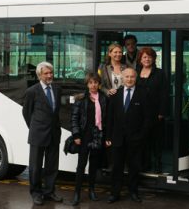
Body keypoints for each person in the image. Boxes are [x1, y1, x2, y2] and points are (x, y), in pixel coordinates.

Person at [106, 68, 151, 203]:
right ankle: (115, 193)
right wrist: (108, 137)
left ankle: (133, 192)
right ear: (122, 78)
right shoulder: (115, 95)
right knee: (117, 167)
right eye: (127, 77)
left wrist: (141, 135)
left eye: (132, 77)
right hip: (117, 138)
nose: (130, 79)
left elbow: (148, 118)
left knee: (134, 167)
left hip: (136, 139)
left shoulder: (143, 94)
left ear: (135, 78)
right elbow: (110, 118)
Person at [22, 61, 63, 206]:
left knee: (52, 166)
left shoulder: (57, 89)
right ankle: (36, 193)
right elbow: (27, 113)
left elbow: (56, 112)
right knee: (35, 167)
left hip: (54, 133)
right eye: (46, 73)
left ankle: (49, 191)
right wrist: (35, 128)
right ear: (39, 75)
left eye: (51, 72)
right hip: (38, 134)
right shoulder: (32, 91)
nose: (49, 75)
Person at [70, 72, 107, 206]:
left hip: (98, 135)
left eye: (95, 82)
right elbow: (74, 118)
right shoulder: (81, 99)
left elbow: (107, 118)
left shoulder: (103, 98)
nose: (93, 85)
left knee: (94, 165)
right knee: (81, 165)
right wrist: (76, 135)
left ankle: (91, 190)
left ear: (99, 84)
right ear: (87, 84)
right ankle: (77, 193)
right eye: (90, 82)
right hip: (84, 135)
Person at [136, 47, 168, 173]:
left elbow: (164, 94)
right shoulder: (136, 71)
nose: (147, 59)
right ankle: (145, 164)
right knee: (143, 139)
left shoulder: (160, 73)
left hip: (155, 112)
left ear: (154, 58)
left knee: (156, 140)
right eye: (144, 57)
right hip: (139, 112)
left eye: (149, 57)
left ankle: (158, 164)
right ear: (140, 59)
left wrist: (162, 112)